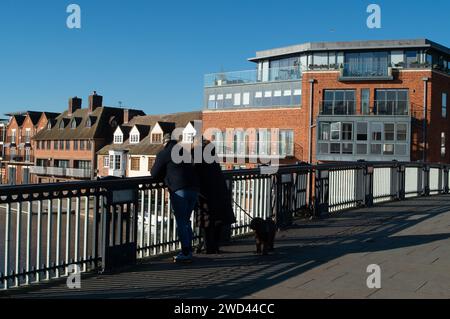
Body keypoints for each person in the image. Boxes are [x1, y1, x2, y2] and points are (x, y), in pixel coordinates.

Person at [151, 133, 200, 263]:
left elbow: (154, 173)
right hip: (194, 189)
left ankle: (186, 252)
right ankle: (189, 249)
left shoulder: (164, 153)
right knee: (186, 221)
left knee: (181, 222)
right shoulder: (184, 152)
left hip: (179, 190)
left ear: (164, 143)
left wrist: (165, 176)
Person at [194, 139, 235, 254]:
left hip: (206, 194)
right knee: (217, 221)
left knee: (206, 221)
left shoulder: (198, 155)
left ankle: (208, 247)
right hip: (219, 192)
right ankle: (215, 246)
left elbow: (195, 172)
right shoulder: (212, 156)